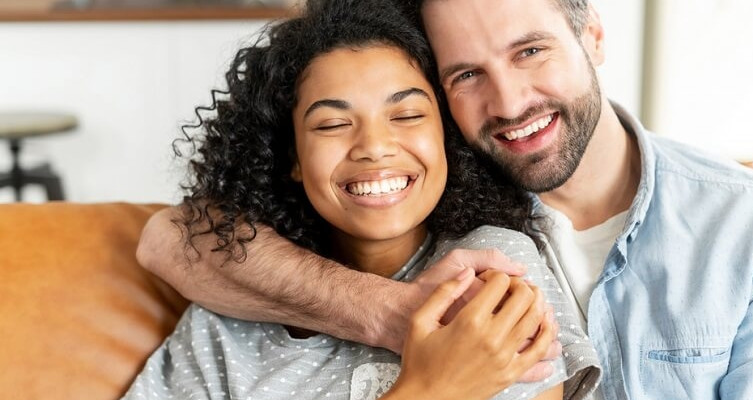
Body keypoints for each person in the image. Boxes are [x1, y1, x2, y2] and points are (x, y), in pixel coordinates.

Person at [138, 0, 753, 398]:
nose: (509, 102)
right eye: (466, 74)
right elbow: (166, 240)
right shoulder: (434, 205)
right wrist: (390, 313)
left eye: (530, 51)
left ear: (593, 36)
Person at [124, 0, 601, 398]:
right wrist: (427, 389)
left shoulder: (492, 275)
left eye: (407, 115)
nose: (373, 146)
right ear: (291, 157)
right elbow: (164, 237)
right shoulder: (229, 307)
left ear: (446, 137)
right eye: (333, 124)